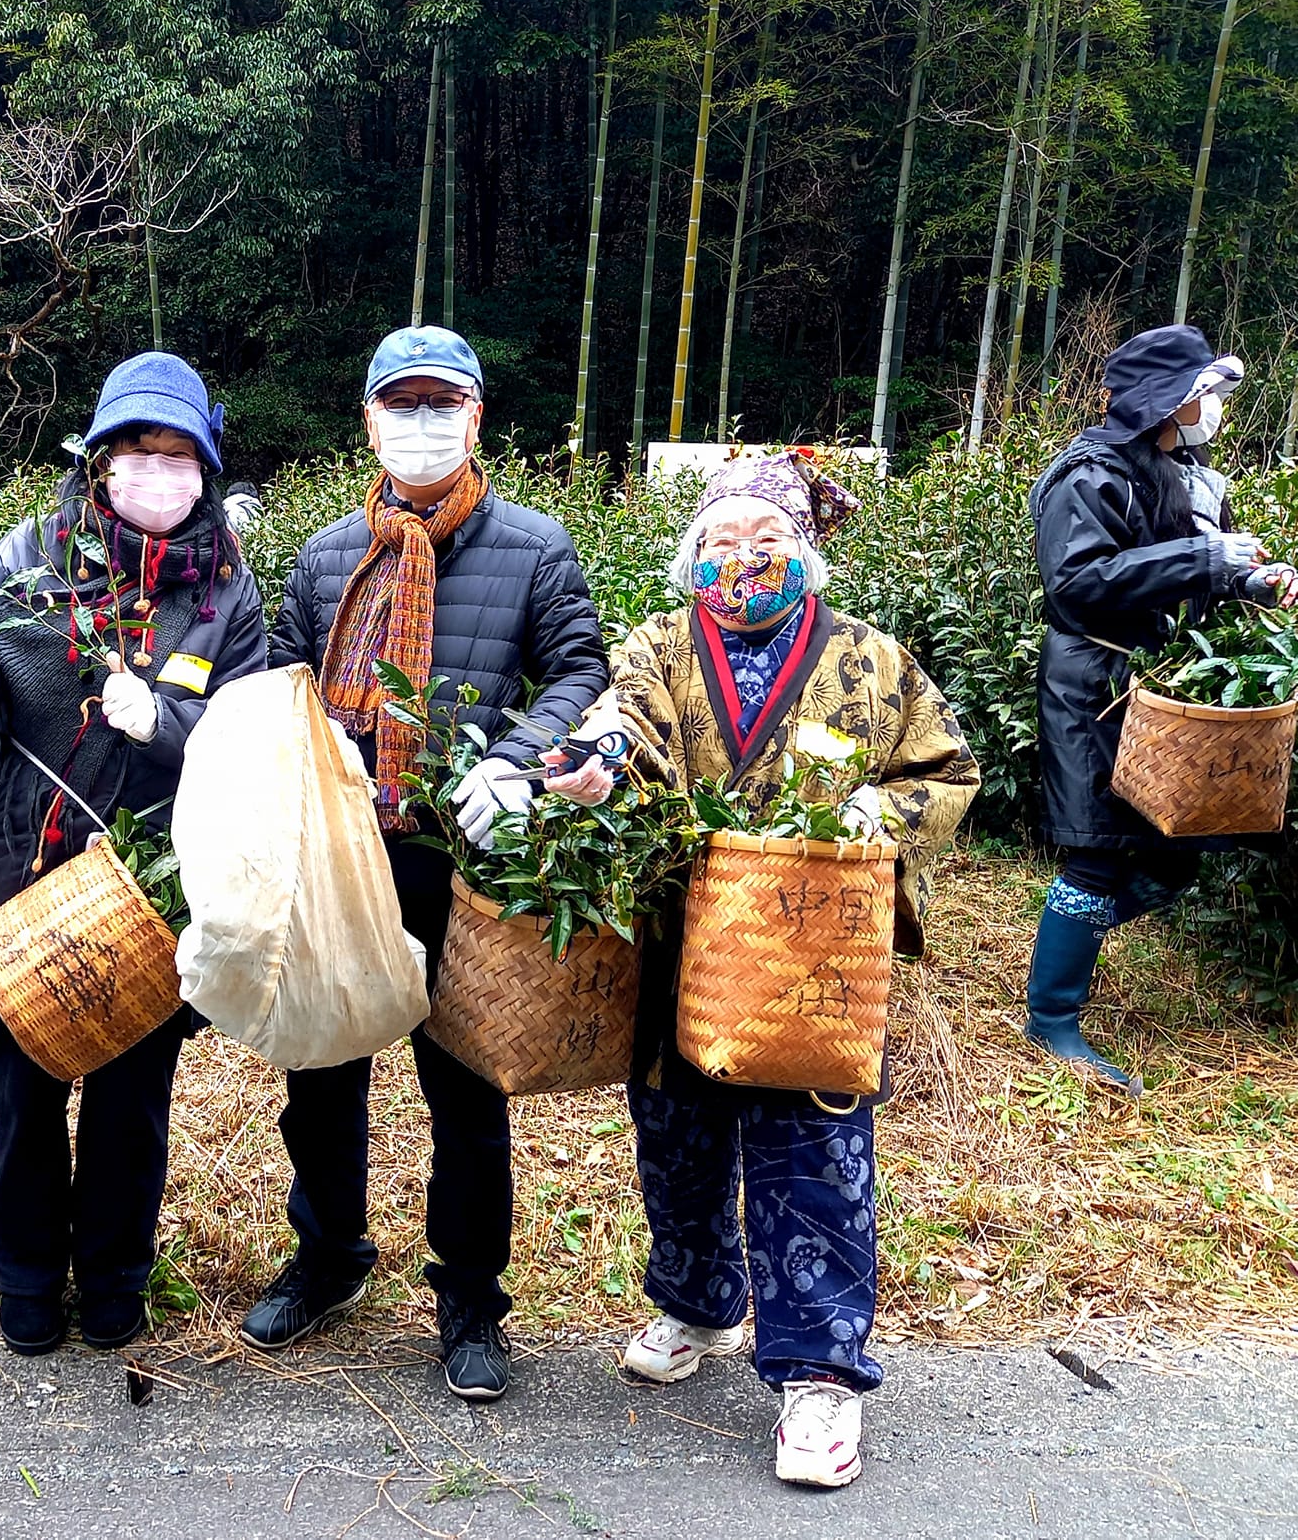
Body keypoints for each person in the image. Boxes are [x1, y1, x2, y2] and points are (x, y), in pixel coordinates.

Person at [543, 450, 979, 1487]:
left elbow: (945, 767)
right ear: (691, 556)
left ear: (805, 552)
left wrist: (881, 813)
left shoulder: (871, 661)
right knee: (676, 1134)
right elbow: (625, 719)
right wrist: (595, 765)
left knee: (811, 1156)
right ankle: (698, 1304)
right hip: (680, 934)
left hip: (810, 950)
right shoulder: (655, 645)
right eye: (720, 543)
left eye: (767, 540)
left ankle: (819, 1373)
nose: (743, 560)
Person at [248, 325, 609, 1401]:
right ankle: (327, 1257)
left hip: (466, 862)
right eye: (397, 406)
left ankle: (470, 1299)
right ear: (366, 422)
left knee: (464, 1094)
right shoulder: (323, 555)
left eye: (437, 405)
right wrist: (315, 768)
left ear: (474, 417)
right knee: (320, 1075)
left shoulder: (533, 546)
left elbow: (577, 668)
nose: (418, 424)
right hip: (345, 856)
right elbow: (284, 681)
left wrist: (513, 762)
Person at [0, 352, 269, 1355]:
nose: (157, 473)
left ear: (203, 469)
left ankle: (113, 1280)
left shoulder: (224, 592)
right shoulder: (27, 554)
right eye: (136, 453)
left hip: (154, 875)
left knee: (130, 1095)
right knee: (22, 1089)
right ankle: (24, 1282)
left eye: (177, 457)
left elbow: (245, 734)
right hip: (28, 858)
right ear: (99, 462)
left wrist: (159, 717)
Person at [1025, 324, 1298, 1091]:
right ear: (1168, 400)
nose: (1213, 410)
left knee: (1183, 843)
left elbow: (1194, 568)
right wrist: (1203, 559)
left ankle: (1072, 934)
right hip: (1094, 677)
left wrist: (1253, 580)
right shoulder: (1092, 472)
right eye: (1204, 395)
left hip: (1161, 677)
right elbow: (1078, 581)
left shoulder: (1187, 470)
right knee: (1097, 847)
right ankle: (1052, 1018)